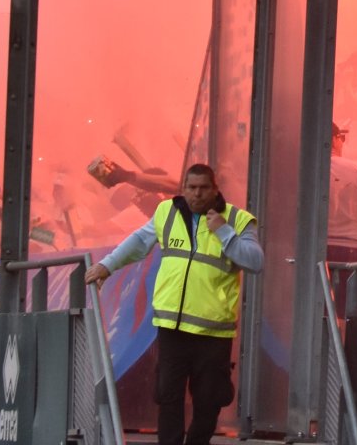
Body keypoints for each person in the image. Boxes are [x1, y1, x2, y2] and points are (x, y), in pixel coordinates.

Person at [84, 165, 261, 445]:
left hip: (213, 331)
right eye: (191, 187)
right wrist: (108, 265)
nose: (197, 194)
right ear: (183, 189)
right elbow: (139, 241)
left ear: (215, 189)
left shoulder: (237, 220)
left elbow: (255, 261)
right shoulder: (166, 212)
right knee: (168, 397)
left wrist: (224, 233)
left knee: (209, 401)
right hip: (172, 327)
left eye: (204, 188)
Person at [325, 123, 357, 315]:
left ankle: (325, 344)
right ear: (335, 140)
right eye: (342, 138)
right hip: (356, 249)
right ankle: (345, 343)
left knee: (322, 311)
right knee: (351, 313)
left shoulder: (309, 172)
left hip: (323, 249)